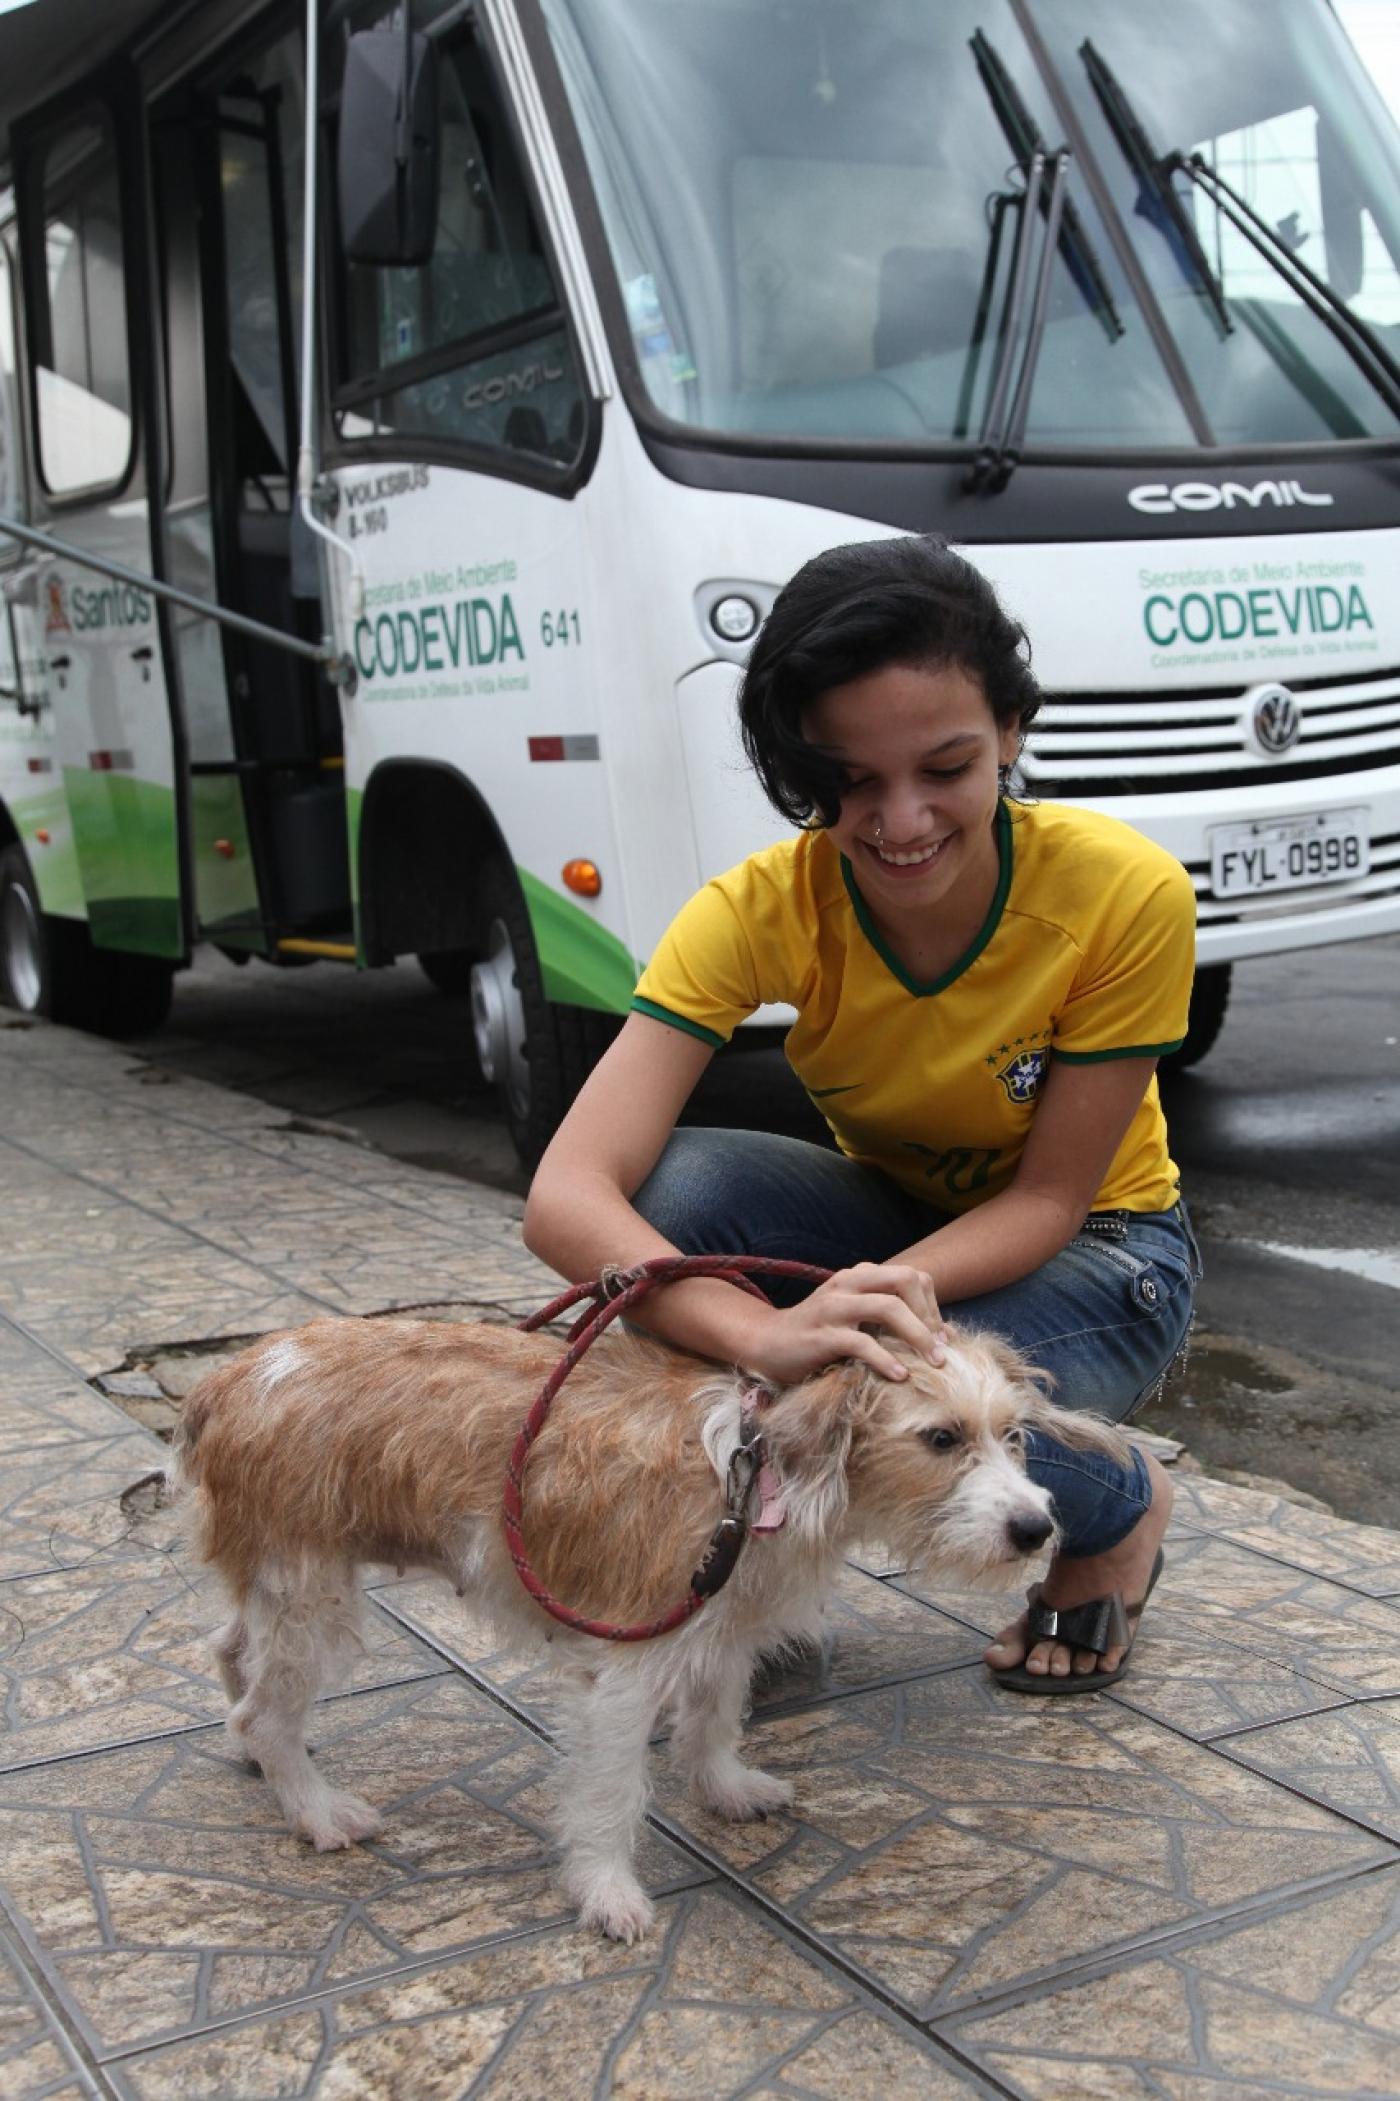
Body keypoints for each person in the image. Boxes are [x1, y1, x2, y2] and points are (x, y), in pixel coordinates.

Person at [524, 535, 1201, 1691]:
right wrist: (763, 1336)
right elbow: (567, 1194)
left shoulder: (1121, 892)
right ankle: (755, 1566)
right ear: (800, 774)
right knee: (672, 1199)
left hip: (1099, 1249)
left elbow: (1046, 1196)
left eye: (945, 766)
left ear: (1010, 735)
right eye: (850, 781)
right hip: (892, 1221)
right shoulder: (757, 909)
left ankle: (1115, 1505)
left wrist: (857, 1321)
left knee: (907, 1392)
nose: (899, 821)